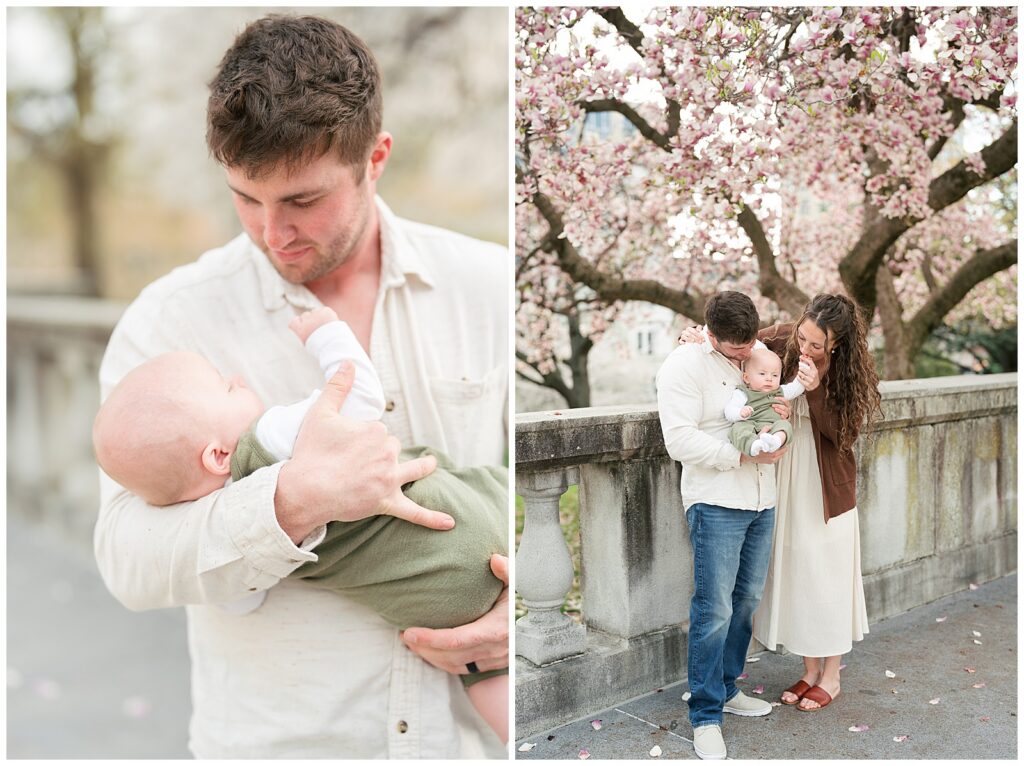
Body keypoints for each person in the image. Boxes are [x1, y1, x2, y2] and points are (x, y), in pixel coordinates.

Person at [94, 14, 508, 758]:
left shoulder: (488, 289)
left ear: (375, 158)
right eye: (246, 199)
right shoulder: (171, 320)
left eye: (302, 202)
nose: (270, 232)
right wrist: (292, 502)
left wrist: (525, 611)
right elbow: (127, 559)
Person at [92, 306, 508, 742]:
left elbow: (238, 594)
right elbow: (363, 399)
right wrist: (329, 337)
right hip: (464, 525)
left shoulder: (234, 529)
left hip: (437, 604)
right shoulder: (270, 436)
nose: (238, 380)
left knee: (484, 676)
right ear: (217, 455)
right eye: (225, 386)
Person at [678, 293, 882, 714]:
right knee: (800, 574)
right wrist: (699, 337)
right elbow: (741, 343)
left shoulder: (847, 372)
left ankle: (832, 675)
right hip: (782, 476)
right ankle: (809, 670)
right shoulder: (786, 338)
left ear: (836, 346)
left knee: (827, 574)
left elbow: (844, 435)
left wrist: (816, 390)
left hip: (826, 485)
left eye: (815, 346)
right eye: (803, 338)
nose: (804, 349)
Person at [655, 291, 813, 760]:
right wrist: (741, 454)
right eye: (735, 348)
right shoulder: (683, 366)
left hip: (763, 500)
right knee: (714, 609)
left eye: (749, 343)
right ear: (710, 332)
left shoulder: (754, 349)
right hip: (716, 500)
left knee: (745, 603)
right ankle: (705, 717)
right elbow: (679, 439)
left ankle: (727, 688)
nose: (746, 353)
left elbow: (787, 374)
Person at [724, 347, 806, 456]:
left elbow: (797, 387)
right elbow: (729, 410)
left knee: (785, 426)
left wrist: (805, 368)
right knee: (737, 429)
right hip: (750, 423)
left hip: (772, 426)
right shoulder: (743, 393)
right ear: (746, 378)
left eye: (775, 375)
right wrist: (740, 413)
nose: (769, 379)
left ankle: (775, 441)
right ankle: (753, 445)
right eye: (762, 374)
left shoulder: (779, 391)